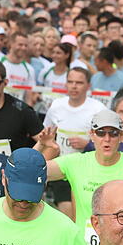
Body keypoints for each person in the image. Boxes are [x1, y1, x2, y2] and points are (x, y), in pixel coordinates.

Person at [37, 109, 123, 245]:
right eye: (101, 133)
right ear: (92, 135)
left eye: (113, 133)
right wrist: (41, 146)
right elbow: (28, 170)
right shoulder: (76, 162)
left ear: (120, 136)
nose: (107, 139)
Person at [42, 67, 107, 219]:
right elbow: (47, 133)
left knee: (84, 215)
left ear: (88, 86)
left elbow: (108, 140)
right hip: (61, 167)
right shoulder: (57, 105)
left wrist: (87, 144)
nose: (74, 86)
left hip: (87, 169)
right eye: (70, 82)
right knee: (68, 215)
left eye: (79, 82)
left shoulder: (97, 108)